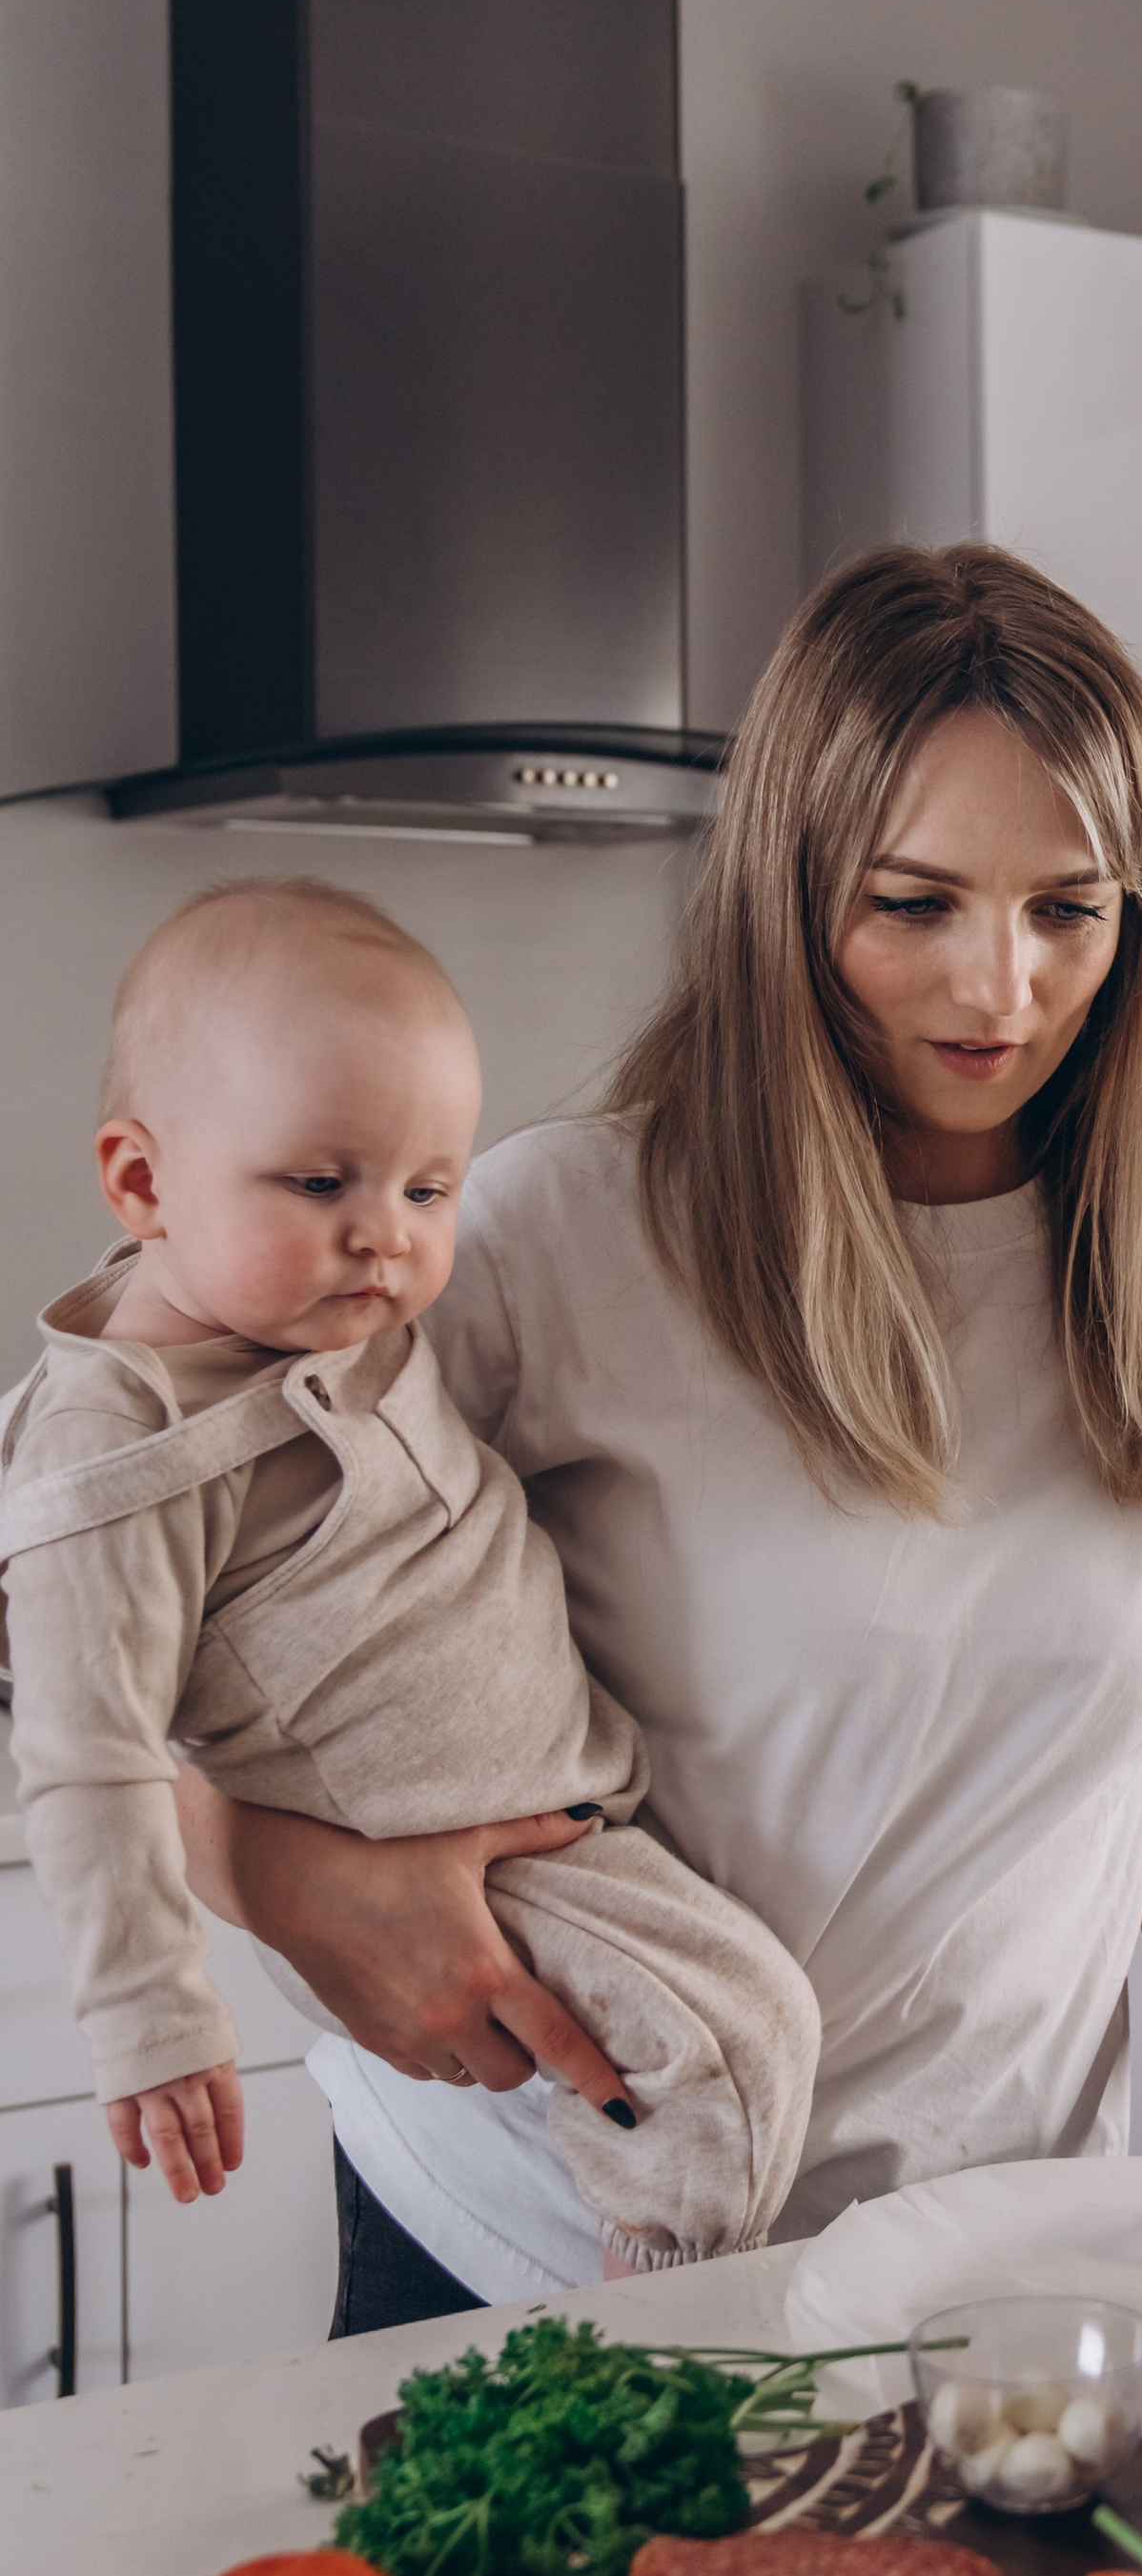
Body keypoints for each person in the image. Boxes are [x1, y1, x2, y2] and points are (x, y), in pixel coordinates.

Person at [175, 542, 1142, 2330]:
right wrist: (284, 1875)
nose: (1000, 989)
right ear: (789, 893)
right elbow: (177, 1610)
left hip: (992, 2248)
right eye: (915, 903)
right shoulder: (557, 1235)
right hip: (543, 2228)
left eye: (1067, 910)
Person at [0, 879, 820, 2270]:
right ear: (142, 1182)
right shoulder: (120, 1459)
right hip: (454, 1864)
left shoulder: (299, 1314)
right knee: (738, 2043)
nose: (387, 1235)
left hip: (555, 1810)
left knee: (742, 2030)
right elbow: (91, 1759)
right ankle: (662, 2314)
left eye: (428, 1187)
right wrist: (153, 2018)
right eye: (321, 1183)